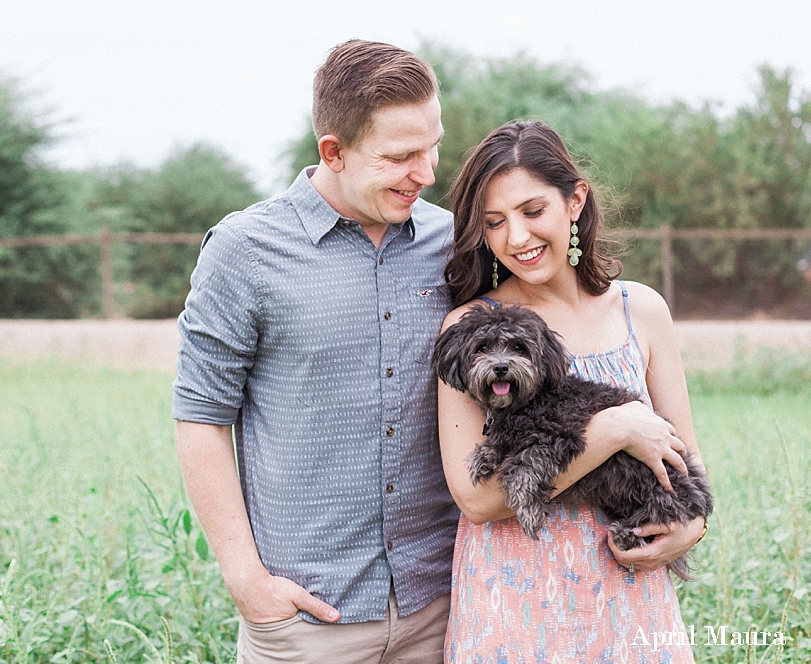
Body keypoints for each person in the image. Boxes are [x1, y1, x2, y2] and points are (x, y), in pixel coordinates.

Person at [172, 40, 459, 662]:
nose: (428, 172)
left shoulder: (455, 243)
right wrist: (246, 580)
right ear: (333, 151)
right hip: (306, 620)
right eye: (401, 157)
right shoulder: (243, 251)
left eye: (433, 146)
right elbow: (200, 418)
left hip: (444, 606)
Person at [438, 120, 709, 662]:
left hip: (630, 603)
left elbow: (687, 459)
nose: (517, 237)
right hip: (514, 606)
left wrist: (691, 530)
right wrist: (611, 429)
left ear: (575, 200)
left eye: (533, 211)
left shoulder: (642, 311)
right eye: (494, 223)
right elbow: (477, 498)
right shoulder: (472, 329)